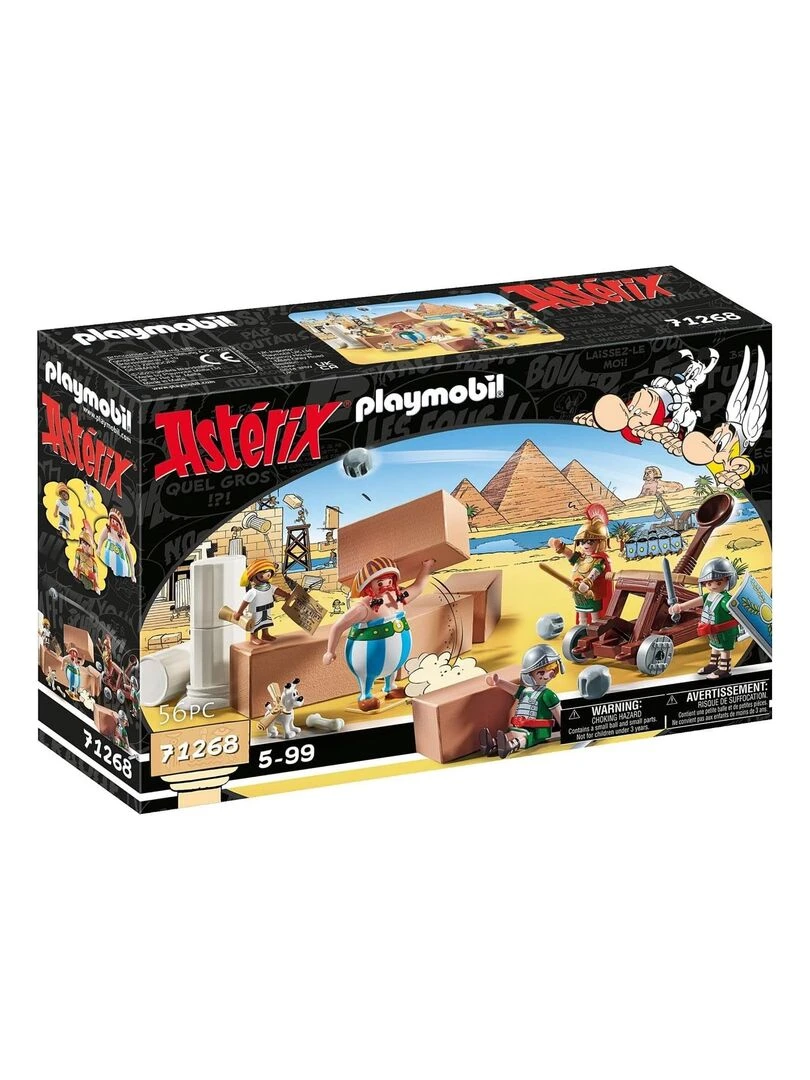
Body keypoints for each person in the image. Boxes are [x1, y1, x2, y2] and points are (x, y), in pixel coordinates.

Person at [323, 556, 435, 712]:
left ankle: (390, 687)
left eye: (389, 581)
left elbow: (418, 587)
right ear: (368, 586)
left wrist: (426, 567)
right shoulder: (363, 608)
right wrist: (330, 651)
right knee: (367, 674)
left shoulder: (398, 598)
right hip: (366, 658)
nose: (386, 586)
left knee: (393, 668)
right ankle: (365, 695)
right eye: (380, 583)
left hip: (396, 658)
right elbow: (338, 626)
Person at [479, 644, 564, 759]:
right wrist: (498, 682)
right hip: (520, 726)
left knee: (524, 737)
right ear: (529, 674)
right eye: (541, 672)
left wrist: (568, 730)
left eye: (553, 670)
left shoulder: (548, 695)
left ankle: (511, 746)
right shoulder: (524, 691)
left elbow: (560, 716)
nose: (549, 674)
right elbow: (512, 688)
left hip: (538, 732)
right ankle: (493, 743)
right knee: (511, 733)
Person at [669, 557, 739, 679]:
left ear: (728, 580)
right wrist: (681, 607)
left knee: (724, 649)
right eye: (709, 583)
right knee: (714, 646)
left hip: (724, 632)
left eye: (718, 582)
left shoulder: (725, 600)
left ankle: (724, 669)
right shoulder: (708, 596)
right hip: (711, 630)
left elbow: (733, 609)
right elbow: (697, 601)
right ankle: (713, 665)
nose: (713, 586)